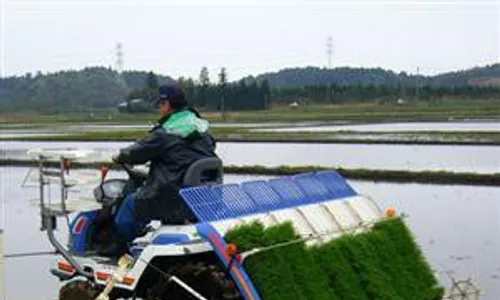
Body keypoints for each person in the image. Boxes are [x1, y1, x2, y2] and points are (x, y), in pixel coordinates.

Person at [106, 84, 218, 255]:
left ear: (167, 104)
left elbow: (135, 153)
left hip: (171, 196)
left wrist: (119, 157)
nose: (160, 108)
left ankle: (123, 249)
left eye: (161, 104)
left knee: (128, 207)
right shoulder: (203, 130)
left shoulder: (166, 132)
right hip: (200, 196)